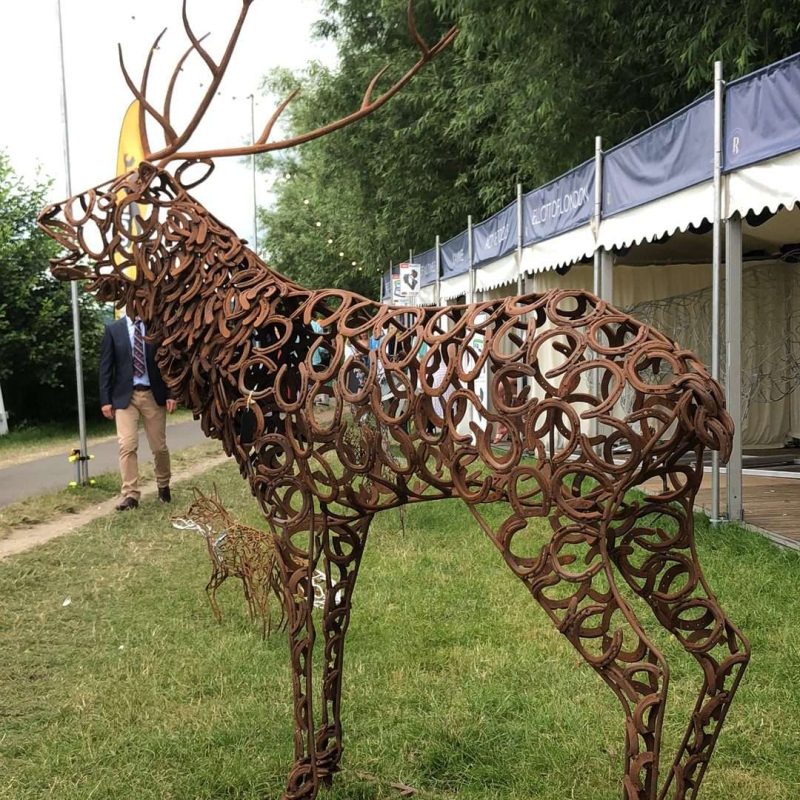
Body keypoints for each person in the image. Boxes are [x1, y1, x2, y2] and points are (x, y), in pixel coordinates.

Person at [99, 311, 177, 511]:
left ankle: (163, 485)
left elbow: (168, 361)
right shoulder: (113, 329)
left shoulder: (155, 327)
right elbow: (106, 367)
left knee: (159, 447)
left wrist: (171, 393)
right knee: (127, 444)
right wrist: (105, 400)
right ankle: (130, 494)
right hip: (125, 397)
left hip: (153, 394)